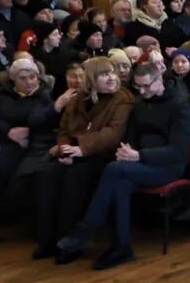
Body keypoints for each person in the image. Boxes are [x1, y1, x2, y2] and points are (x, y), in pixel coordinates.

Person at [55, 60, 190, 269]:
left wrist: (138, 155)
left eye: (147, 86)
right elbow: (131, 136)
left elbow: (178, 151)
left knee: (113, 169)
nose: (142, 91)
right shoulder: (140, 104)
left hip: (168, 167)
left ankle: (87, 230)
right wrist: (126, 151)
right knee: (119, 181)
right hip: (140, 161)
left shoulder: (180, 106)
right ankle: (122, 247)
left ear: (160, 80)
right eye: (138, 86)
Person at [32, 57, 135, 259]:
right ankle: (47, 240)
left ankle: (69, 243)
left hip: (103, 155)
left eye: (112, 73)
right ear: (91, 80)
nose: (112, 78)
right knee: (47, 175)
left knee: (75, 177)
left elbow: (112, 134)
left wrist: (80, 149)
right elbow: (64, 129)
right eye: (104, 74)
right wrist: (64, 149)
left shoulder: (123, 98)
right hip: (75, 152)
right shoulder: (79, 99)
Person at [0, 58, 56, 247]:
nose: (28, 81)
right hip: (5, 144)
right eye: (23, 78)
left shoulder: (44, 98)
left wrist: (23, 132)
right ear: (14, 80)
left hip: (29, 148)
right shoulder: (3, 95)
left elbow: (37, 122)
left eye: (32, 77)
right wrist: (9, 131)